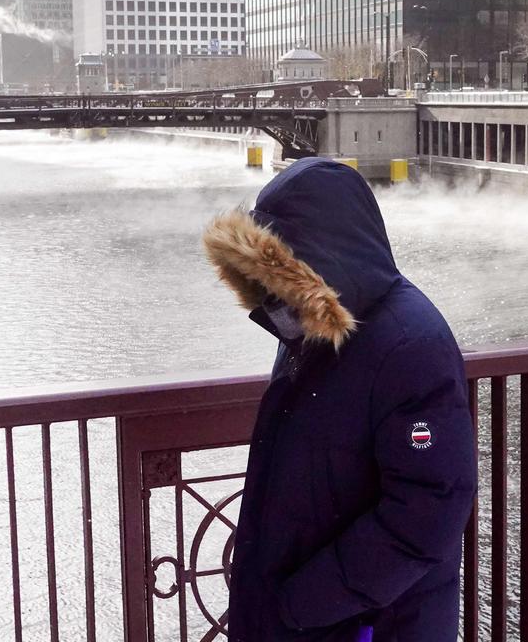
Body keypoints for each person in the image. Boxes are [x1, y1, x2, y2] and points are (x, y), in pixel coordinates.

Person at [203, 157, 476, 641]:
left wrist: (305, 601)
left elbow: (428, 510)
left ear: (322, 257)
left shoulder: (409, 346)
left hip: (367, 623)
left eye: (282, 274)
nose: (271, 294)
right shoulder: (318, 329)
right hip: (317, 616)